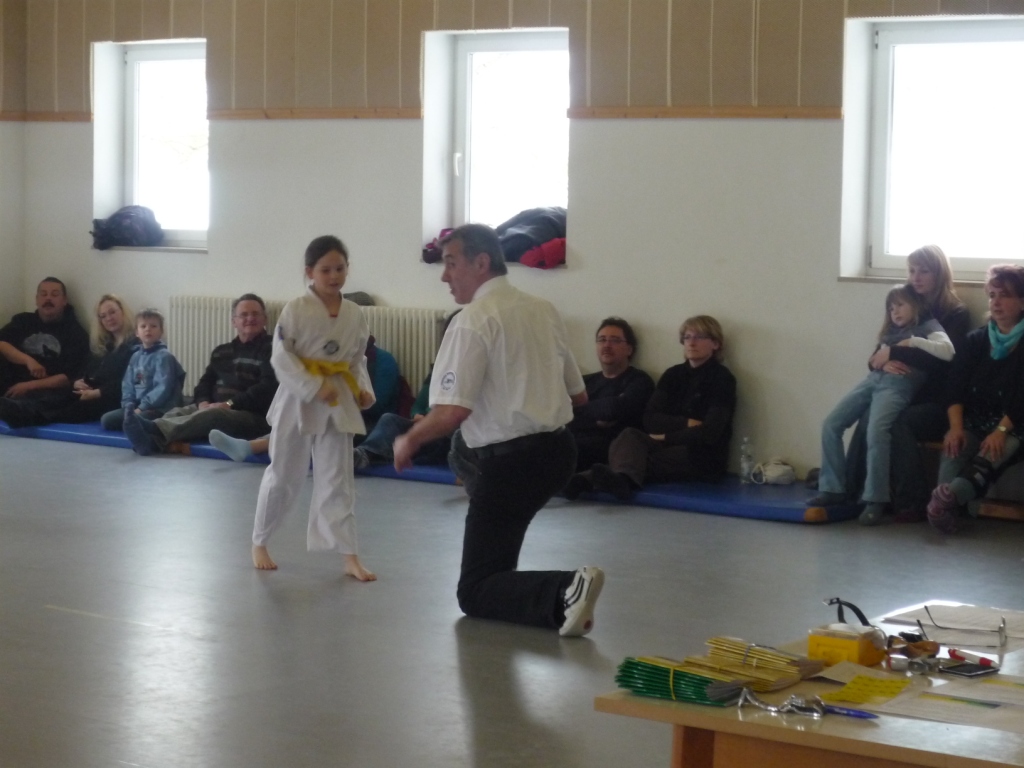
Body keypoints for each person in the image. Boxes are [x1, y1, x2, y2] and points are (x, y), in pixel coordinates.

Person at [392, 223, 603, 637]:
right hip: (559, 451)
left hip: (512, 464)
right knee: (492, 566)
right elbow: (578, 395)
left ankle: (566, 588)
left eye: (451, 263)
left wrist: (409, 439)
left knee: (474, 591)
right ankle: (563, 604)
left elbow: (452, 411)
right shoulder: (543, 309)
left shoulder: (472, 321)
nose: (444, 275)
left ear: (481, 262)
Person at [251, 235, 376, 581]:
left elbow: (356, 358)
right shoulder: (296, 309)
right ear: (310, 272)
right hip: (298, 398)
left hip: (337, 398)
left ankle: (349, 555)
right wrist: (312, 385)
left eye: (340, 268)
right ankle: (260, 541)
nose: (334, 276)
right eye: (325, 270)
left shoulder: (354, 313)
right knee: (284, 474)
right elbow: (281, 357)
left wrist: (363, 389)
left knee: (338, 479)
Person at [809, 285, 954, 525]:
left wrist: (911, 343)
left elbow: (948, 351)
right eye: (891, 308)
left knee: (877, 432)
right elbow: (875, 359)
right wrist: (884, 361)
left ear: (915, 305)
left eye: (900, 305)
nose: (895, 311)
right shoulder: (890, 332)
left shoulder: (928, 326)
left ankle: (875, 498)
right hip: (873, 380)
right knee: (831, 424)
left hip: (897, 386)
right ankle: (832, 488)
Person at [845, 245, 970, 522]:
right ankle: (853, 488)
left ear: (939, 273)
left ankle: (911, 500)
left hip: (937, 401)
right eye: (912, 271)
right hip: (901, 390)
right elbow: (878, 352)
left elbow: (944, 361)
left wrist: (895, 353)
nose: (916, 277)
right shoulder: (905, 304)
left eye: (924, 271)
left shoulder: (956, 313)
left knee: (897, 422)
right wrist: (883, 361)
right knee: (868, 415)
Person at [573, 316, 736, 501]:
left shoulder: (722, 379)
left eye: (699, 337)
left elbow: (710, 432)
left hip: (700, 454)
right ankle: (616, 480)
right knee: (629, 435)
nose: (691, 342)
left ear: (715, 344)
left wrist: (665, 437)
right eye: (687, 337)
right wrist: (686, 423)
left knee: (636, 459)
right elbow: (650, 419)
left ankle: (588, 480)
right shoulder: (673, 375)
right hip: (666, 445)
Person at [926, 265, 1024, 534]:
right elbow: (954, 388)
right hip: (976, 418)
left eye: (1005, 295)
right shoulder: (975, 340)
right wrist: (956, 428)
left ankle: (946, 499)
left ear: (1022, 301)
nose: (996, 302)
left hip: (1015, 423)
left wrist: (1001, 431)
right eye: (992, 295)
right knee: (954, 447)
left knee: (993, 451)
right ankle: (946, 507)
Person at [122, 293, 277, 455]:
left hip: (252, 415)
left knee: (213, 416)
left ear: (265, 319)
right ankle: (151, 440)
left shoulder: (273, 349)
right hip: (216, 406)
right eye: (244, 315)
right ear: (234, 321)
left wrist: (229, 404)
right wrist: (203, 402)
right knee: (177, 412)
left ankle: (153, 431)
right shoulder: (221, 351)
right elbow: (204, 383)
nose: (250, 318)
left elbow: (267, 389)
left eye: (255, 314)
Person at [0, 293, 137, 427]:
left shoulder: (135, 346)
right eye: (103, 316)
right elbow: (84, 372)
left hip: (107, 398)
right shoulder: (102, 347)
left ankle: (19, 413)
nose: (109, 318)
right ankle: (16, 407)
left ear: (123, 312)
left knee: (66, 407)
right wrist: (77, 383)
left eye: (112, 312)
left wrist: (97, 393)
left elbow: (130, 383)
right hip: (86, 391)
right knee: (55, 397)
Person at [562, 317, 655, 497]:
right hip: (576, 442)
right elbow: (563, 414)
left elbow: (614, 409)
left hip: (611, 448)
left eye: (615, 340)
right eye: (602, 340)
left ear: (629, 349)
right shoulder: (585, 381)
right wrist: (593, 417)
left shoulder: (639, 381)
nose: (606, 345)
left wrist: (578, 409)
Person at [0, 277, 89, 404]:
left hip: (44, 393)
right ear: (36, 299)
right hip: (9, 383)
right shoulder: (22, 321)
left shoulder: (76, 333)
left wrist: (28, 386)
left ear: (64, 300)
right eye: (43, 294)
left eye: (54, 294)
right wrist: (28, 361)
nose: (48, 298)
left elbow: (68, 378)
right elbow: (2, 343)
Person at [101, 309, 185, 430]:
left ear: (161, 331)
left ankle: (141, 425)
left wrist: (142, 407)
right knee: (107, 420)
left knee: (138, 421)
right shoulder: (135, 356)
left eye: (153, 326)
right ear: (137, 332)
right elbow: (128, 384)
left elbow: (163, 389)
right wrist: (128, 405)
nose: (148, 329)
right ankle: (132, 423)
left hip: (159, 408)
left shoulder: (164, 357)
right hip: (137, 407)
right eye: (143, 326)